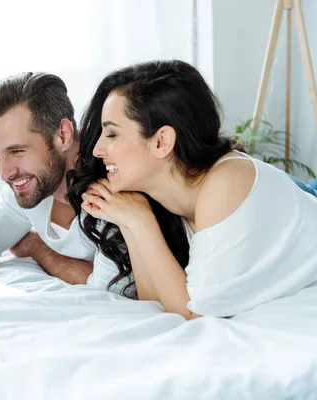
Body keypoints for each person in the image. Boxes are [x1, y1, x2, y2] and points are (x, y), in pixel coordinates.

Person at [67, 60, 317, 319]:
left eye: (112, 134)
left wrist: (142, 223)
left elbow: (196, 315)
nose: (97, 150)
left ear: (162, 141)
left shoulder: (225, 184)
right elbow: (154, 302)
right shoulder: (171, 199)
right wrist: (135, 221)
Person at [0, 72, 118, 296]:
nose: (4, 173)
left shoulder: (111, 187)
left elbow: (110, 287)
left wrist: (35, 247)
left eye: (17, 151)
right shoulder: (32, 186)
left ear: (63, 135)